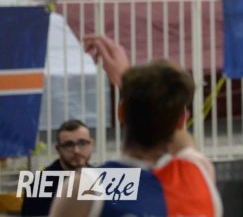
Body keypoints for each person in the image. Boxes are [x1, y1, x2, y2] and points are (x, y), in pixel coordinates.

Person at [49, 35, 222, 217]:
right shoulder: (199, 173)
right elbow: (182, 138)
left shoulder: (87, 187)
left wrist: (131, 86)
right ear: (181, 120)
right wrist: (129, 84)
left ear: (121, 112)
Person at [20, 119, 94, 216]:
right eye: (69, 145)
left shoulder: (101, 179)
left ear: (91, 144)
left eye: (82, 143)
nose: (76, 150)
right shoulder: (39, 184)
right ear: (58, 149)